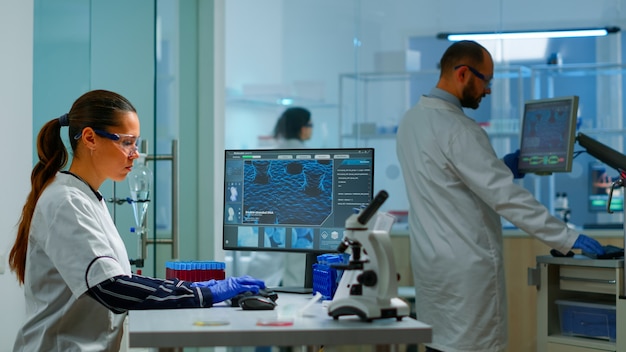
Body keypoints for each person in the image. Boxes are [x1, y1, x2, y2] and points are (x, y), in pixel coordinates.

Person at [9, 89, 266, 352]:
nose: (135, 154)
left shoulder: (86, 197)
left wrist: (190, 287)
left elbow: (118, 278)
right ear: (90, 138)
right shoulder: (66, 201)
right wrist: (201, 294)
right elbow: (111, 287)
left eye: (136, 143)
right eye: (127, 142)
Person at [395, 40, 605, 352]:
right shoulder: (459, 129)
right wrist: (567, 238)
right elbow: (507, 198)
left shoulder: (411, 121)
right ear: (463, 73)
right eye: (486, 80)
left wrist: (499, 167)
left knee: (439, 346)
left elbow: (449, 180)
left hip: (433, 271)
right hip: (467, 274)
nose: (489, 90)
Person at [242, 107, 313, 289]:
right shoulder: (311, 156)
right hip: (297, 242)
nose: (311, 129)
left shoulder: (267, 154)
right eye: (310, 125)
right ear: (302, 128)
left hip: (268, 241)